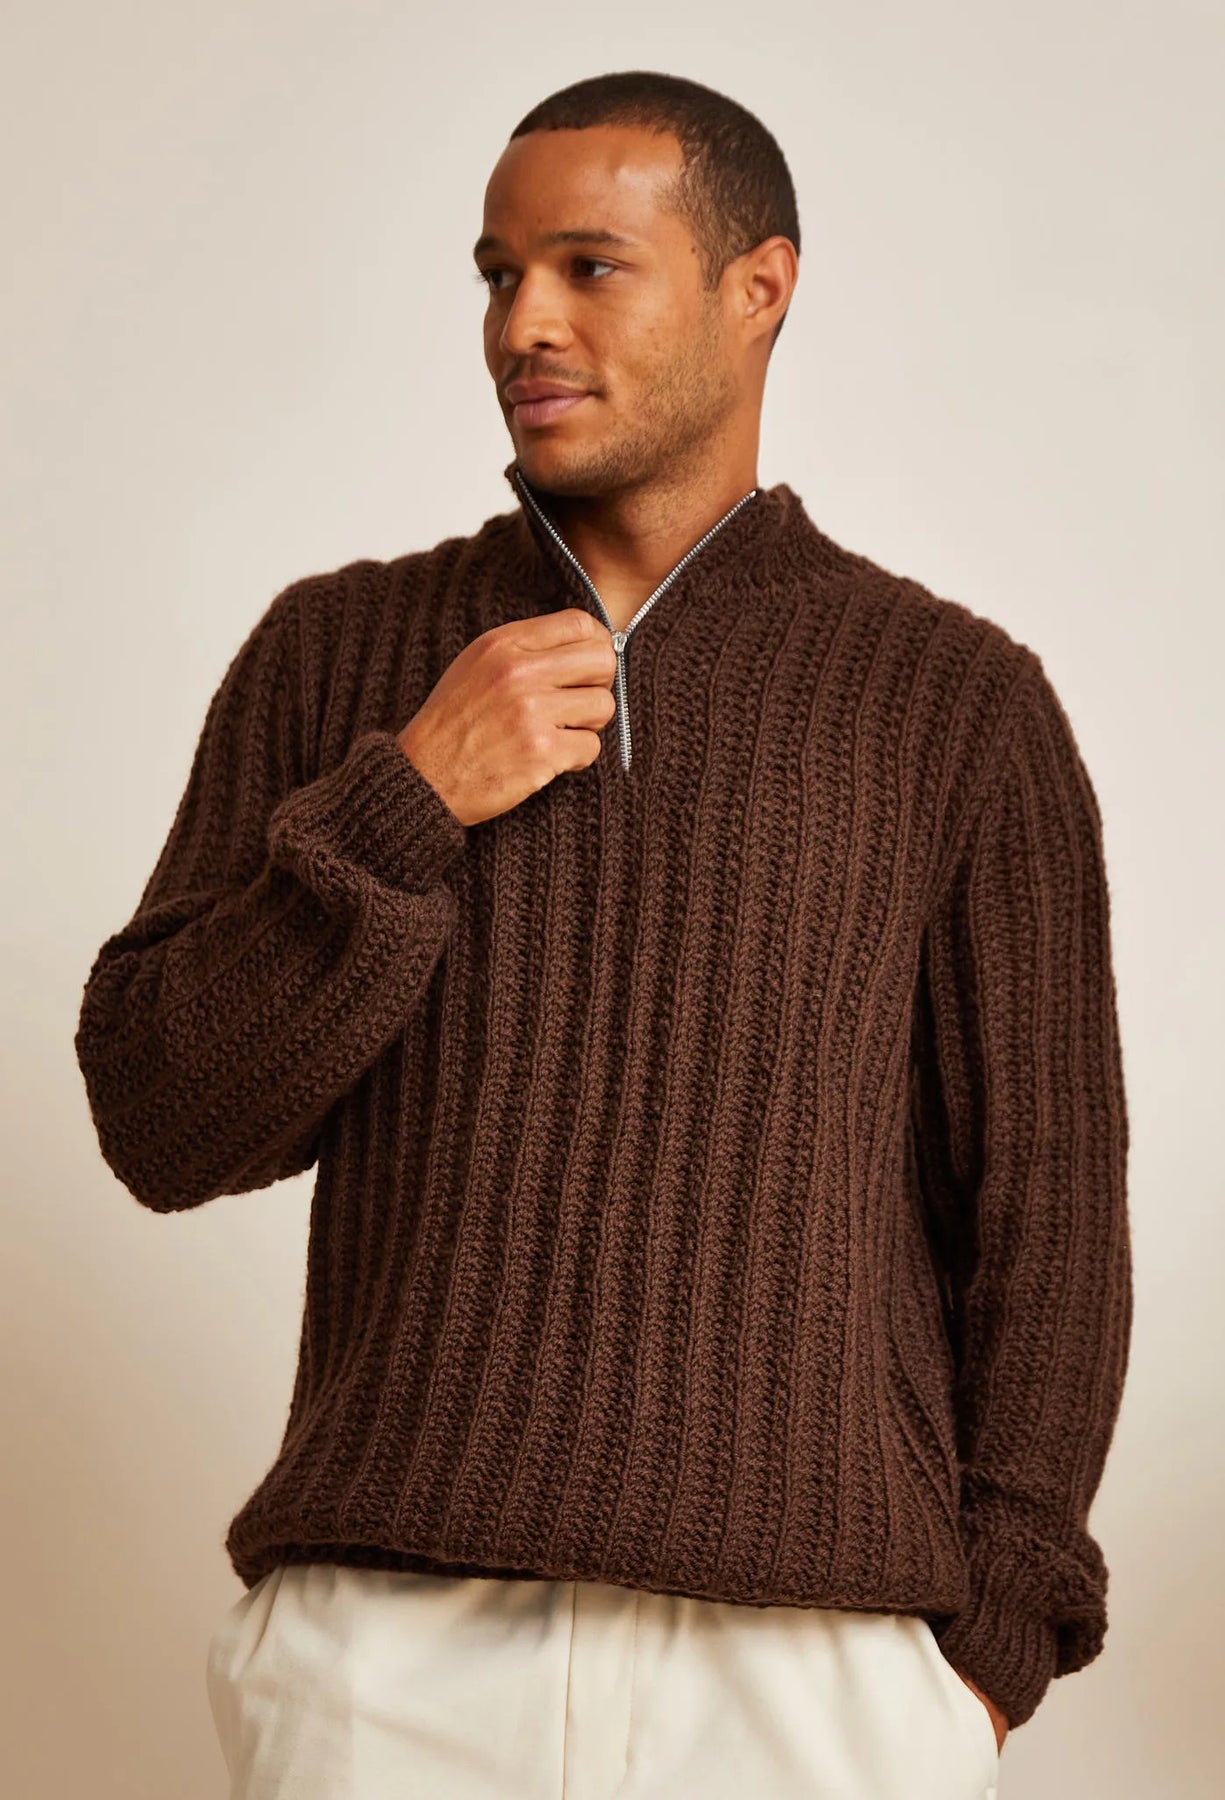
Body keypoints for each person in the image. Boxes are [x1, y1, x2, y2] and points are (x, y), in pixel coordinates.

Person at [74, 68, 1132, 1800]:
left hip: (808, 1679)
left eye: (588, 267)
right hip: (388, 1659)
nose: (524, 325)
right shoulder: (337, 651)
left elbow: (1044, 1212)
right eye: (497, 275)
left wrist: (986, 1660)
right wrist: (407, 799)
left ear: (757, 288)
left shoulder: (951, 703)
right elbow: (161, 1122)